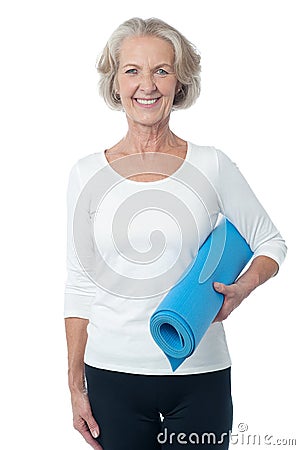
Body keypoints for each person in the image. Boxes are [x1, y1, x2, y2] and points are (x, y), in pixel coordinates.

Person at [64, 17, 287, 450]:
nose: (147, 84)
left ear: (179, 84)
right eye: (132, 70)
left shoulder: (212, 165)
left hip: (198, 377)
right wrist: (75, 384)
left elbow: (270, 242)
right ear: (114, 83)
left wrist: (242, 288)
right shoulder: (85, 173)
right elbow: (78, 285)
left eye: (161, 70)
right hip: (112, 377)